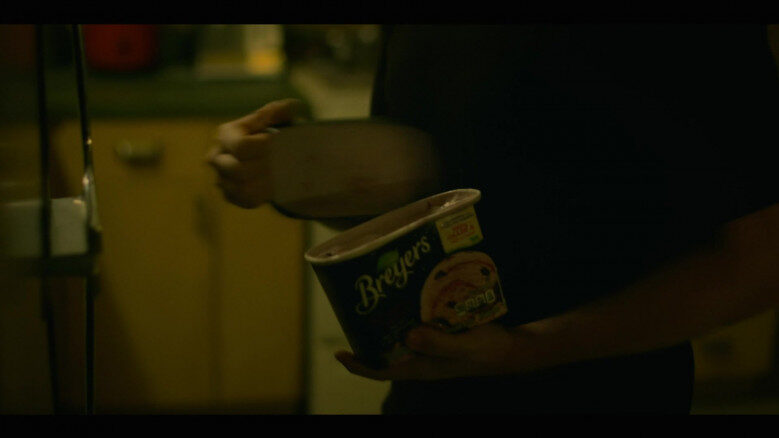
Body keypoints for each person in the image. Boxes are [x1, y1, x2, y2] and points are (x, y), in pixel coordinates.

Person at [207, 25, 779, 414]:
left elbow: (762, 257)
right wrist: (282, 169)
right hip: (427, 397)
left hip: (599, 396)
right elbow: (431, 189)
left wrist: (523, 350)